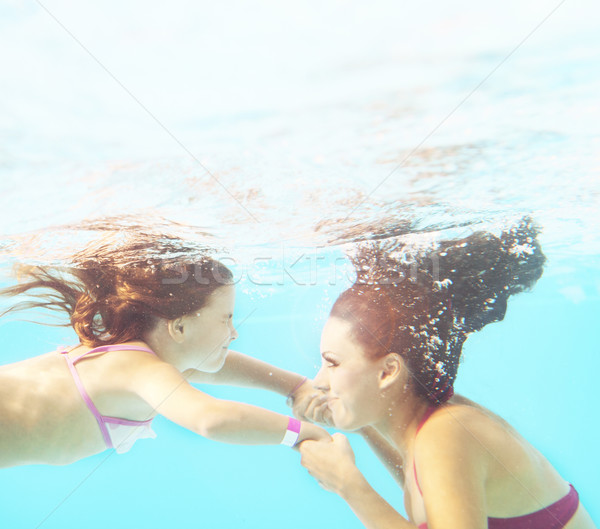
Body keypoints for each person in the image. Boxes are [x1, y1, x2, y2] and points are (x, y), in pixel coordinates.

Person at [290, 219, 596, 529]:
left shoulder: (446, 435)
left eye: (332, 363)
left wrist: (350, 487)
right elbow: (426, 495)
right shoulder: (430, 434)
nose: (319, 381)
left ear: (388, 372)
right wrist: (362, 425)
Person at [0, 237, 329, 468]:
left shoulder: (145, 360)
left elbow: (212, 365)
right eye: (226, 319)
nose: (234, 332)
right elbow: (211, 418)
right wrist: (300, 434)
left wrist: (295, 386)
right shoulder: (140, 369)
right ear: (179, 328)